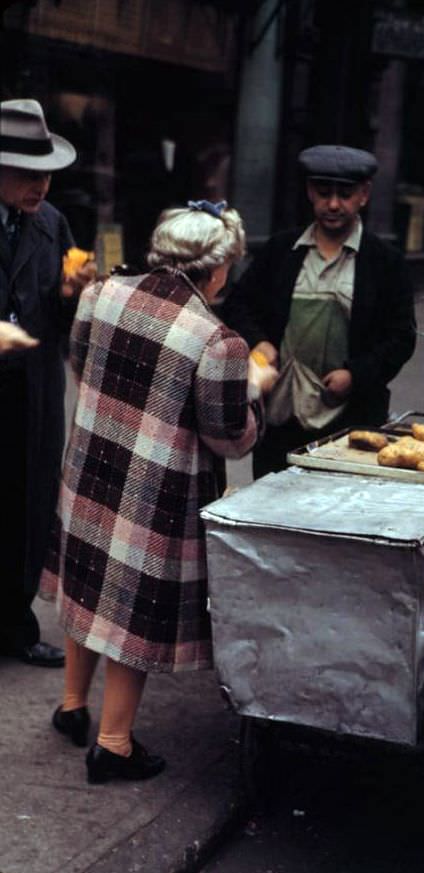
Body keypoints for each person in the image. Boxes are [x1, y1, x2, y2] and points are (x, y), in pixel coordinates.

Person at [40, 200, 277, 784]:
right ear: (217, 270)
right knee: (127, 610)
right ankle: (113, 745)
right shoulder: (218, 341)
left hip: (93, 465)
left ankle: (72, 707)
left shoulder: (100, 294)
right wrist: (256, 389)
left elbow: (80, 365)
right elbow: (229, 439)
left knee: (88, 584)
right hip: (154, 493)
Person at [221, 144, 416, 479]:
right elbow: (238, 304)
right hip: (281, 415)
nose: (334, 204)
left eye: (345, 194)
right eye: (324, 193)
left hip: (349, 423)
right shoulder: (282, 250)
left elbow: (401, 336)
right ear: (310, 192)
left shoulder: (384, 261)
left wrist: (356, 375)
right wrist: (259, 342)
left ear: (364, 195)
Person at [0, 98, 95, 668]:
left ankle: (15, 624)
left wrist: (71, 296)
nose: (41, 186)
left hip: (33, 389)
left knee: (30, 505)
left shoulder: (52, 223)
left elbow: (64, 319)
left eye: (47, 174)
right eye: (28, 174)